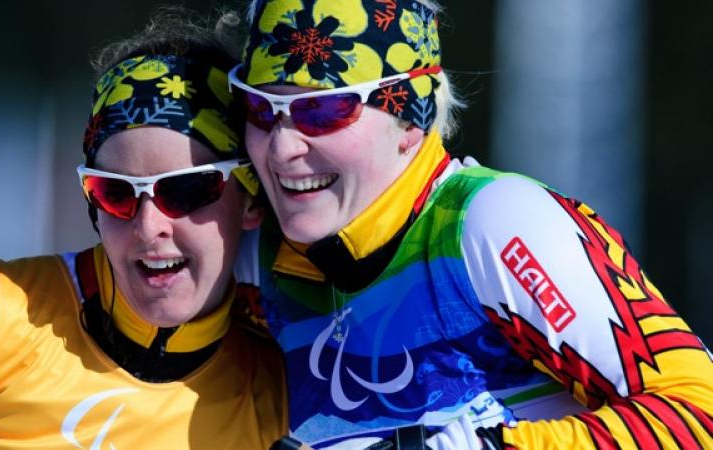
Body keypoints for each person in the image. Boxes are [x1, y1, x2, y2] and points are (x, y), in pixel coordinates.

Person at [227, 0, 713, 448]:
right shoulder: (261, 254)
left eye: (323, 110)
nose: (282, 148)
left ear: (411, 118)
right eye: (259, 109)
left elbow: (696, 409)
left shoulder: (490, 223)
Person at [0, 8, 287, 449]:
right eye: (116, 193)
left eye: (185, 190)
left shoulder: (285, 394)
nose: (149, 227)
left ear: (250, 199)